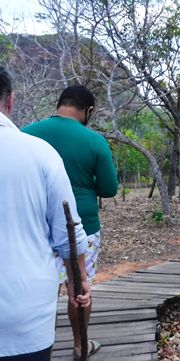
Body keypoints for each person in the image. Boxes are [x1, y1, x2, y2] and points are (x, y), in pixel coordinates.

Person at [0, 66, 91, 360]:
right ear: (10, 101)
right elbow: (69, 237)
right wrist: (78, 286)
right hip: (24, 320)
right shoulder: (40, 153)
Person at [23, 85, 118, 359]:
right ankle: (79, 346)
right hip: (83, 227)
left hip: (37, 226)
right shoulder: (94, 141)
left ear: (59, 104)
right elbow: (110, 189)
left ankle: (40, 348)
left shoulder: (27, 134)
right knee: (78, 288)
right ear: (88, 111)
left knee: (42, 288)